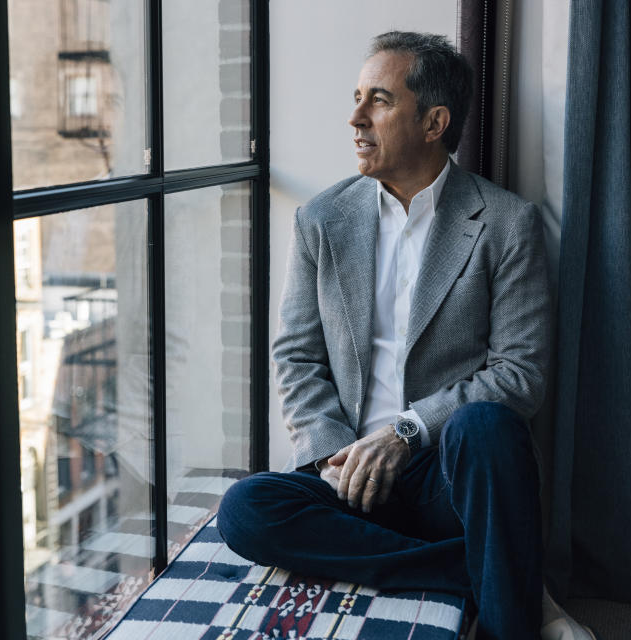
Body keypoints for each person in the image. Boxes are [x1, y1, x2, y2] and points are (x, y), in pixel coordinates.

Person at [216, 32, 595, 640]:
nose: (355, 118)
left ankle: (508, 622)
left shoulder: (504, 223)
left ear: (434, 121)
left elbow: (519, 374)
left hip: (447, 471)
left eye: (379, 101)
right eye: (356, 98)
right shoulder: (321, 220)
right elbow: (297, 354)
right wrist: (331, 454)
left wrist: (406, 431)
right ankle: (488, 572)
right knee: (245, 510)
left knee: (490, 424)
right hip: (346, 472)